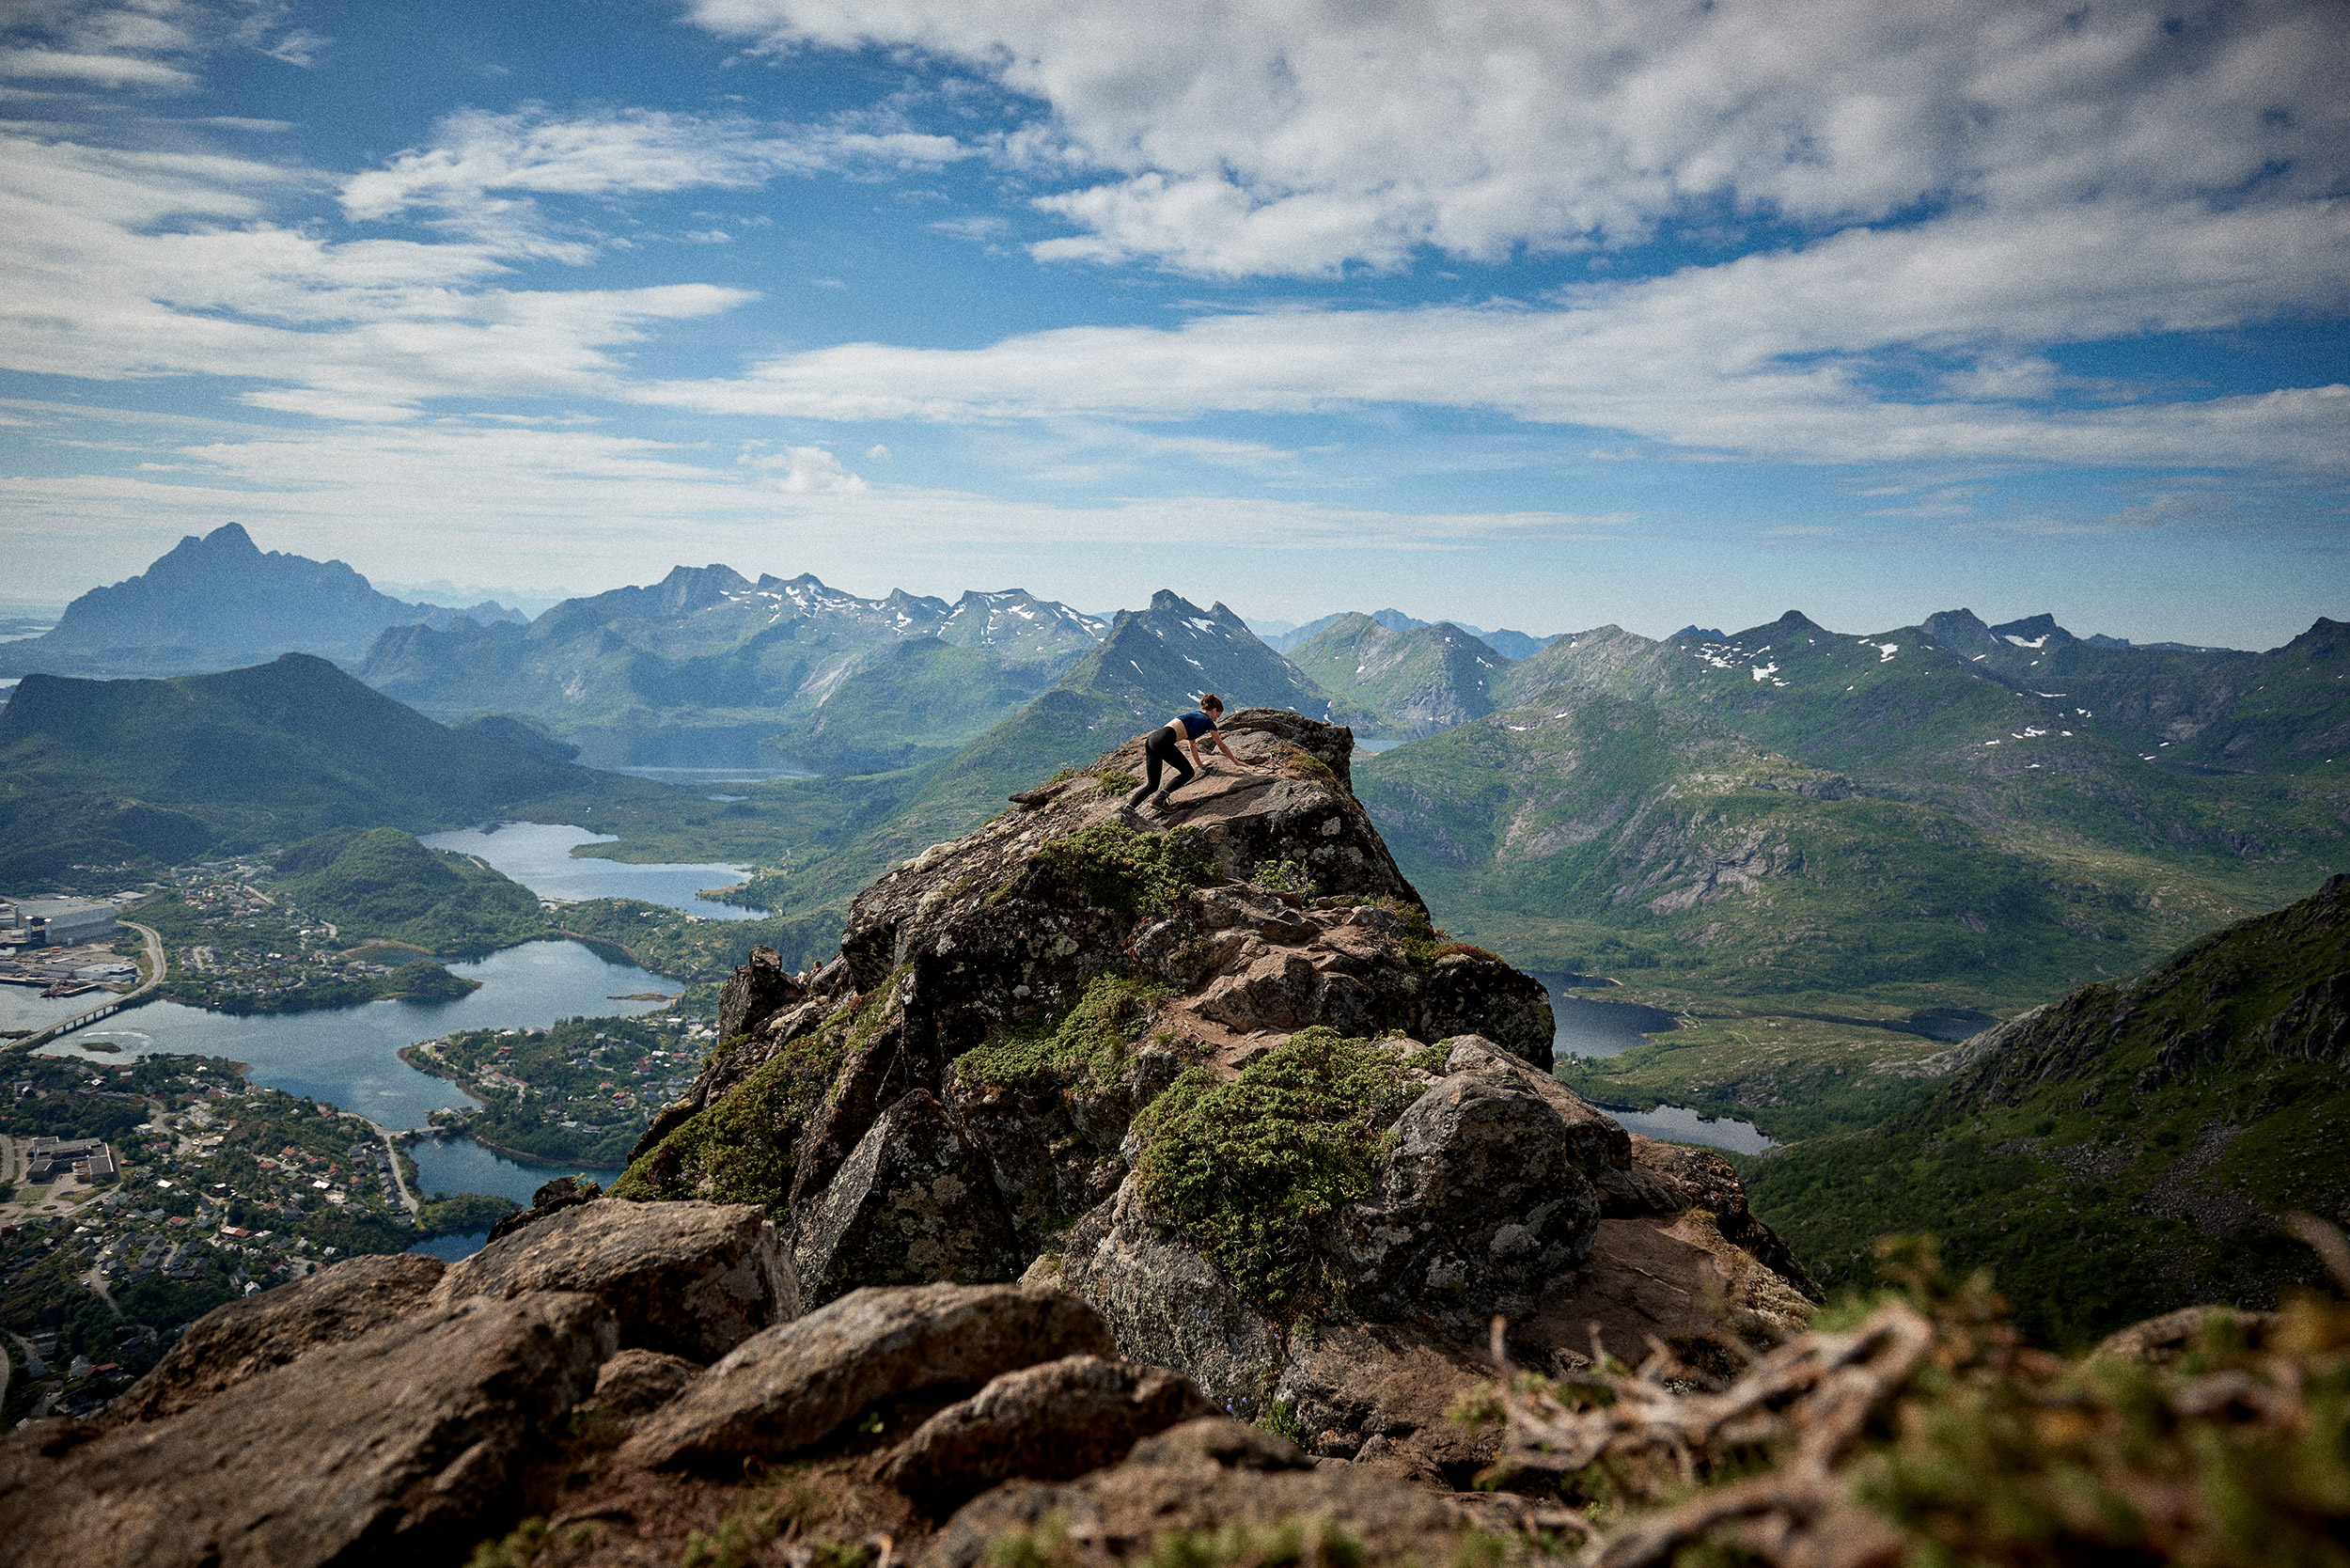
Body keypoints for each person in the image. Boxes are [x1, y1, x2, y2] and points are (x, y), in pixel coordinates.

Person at [1126, 694, 1259, 810]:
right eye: (1217, 715)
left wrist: (1200, 764)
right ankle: (1160, 798)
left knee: (1152, 785)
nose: (1216, 719)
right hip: (1162, 742)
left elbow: (1192, 745)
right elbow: (1221, 744)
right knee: (1188, 773)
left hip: (1152, 739)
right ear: (1213, 710)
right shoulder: (1207, 721)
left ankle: (1128, 809)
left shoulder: (1193, 716)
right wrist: (1235, 761)